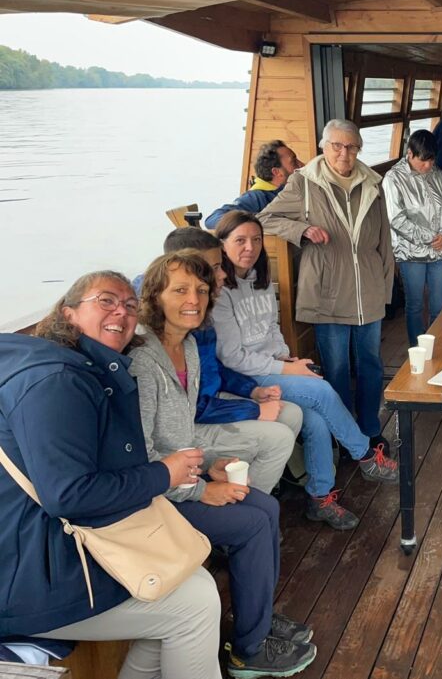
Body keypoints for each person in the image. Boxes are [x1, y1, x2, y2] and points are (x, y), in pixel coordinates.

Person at [0, 271, 220, 678]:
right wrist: (163, 475)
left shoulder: (82, 369)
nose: (122, 310)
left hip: (54, 544)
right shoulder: (56, 381)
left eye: (130, 305)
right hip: (27, 578)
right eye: (106, 300)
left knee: (186, 586)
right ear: (68, 313)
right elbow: (69, 496)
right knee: (195, 602)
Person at [130, 253, 316, 678]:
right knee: (251, 523)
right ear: (154, 297)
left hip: (184, 474)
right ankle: (248, 652)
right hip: (152, 495)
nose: (193, 299)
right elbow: (142, 457)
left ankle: (259, 621)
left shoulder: (189, 347)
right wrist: (199, 490)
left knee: (265, 509)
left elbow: (181, 435)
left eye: (200, 290)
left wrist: (212, 465)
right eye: (179, 290)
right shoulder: (144, 361)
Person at [211, 210, 397, 531]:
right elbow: (233, 358)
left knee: (315, 420)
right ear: (222, 246)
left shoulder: (261, 283)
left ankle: (319, 497)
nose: (249, 248)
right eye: (239, 240)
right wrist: (286, 370)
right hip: (243, 380)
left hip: (273, 368)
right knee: (323, 392)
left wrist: (289, 362)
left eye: (256, 240)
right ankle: (365, 455)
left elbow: (272, 331)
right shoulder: (219, 293)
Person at [259, 119, 394, 445]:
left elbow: (384, 241)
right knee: (335, 368)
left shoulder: (372, 183)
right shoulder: (303, 184)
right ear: (323, 146)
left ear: (358, 149)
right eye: (337, 145)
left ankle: (370, 428)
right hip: (327, 292)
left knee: (371, 365)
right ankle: (345, 436)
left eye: (351, 146)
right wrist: (301, 231)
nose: (344, 153)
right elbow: (265, 219)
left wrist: (386, 288)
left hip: (368, 291)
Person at [134, 226, 304, 439]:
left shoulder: (201, 318)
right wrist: (253, 410)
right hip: (188, 423)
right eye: (215, 267)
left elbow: (214, 368)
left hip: (213, 398)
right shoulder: (161, 332)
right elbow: (190, 405)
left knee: (293, 414)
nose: (223, 273)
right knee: (279, 436)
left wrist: (251, 390)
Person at [382, 129, 442, 345]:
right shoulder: (393, 178)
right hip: (410, 252)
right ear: (410, 154)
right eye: (423, 161)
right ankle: (418, 350)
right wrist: (432, 237)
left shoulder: (437, 174)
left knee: (440, 304)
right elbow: (397, 220)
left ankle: (437, 345)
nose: (427, 166)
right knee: (414, 305)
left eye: (431, 160)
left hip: (439, 250)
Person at [206, 140, 303, 229]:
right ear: (277, 172)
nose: (302, 165)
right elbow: (212, 219)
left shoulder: (291, 188)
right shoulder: (257, 197)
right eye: (294, 162)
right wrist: (262, 220)